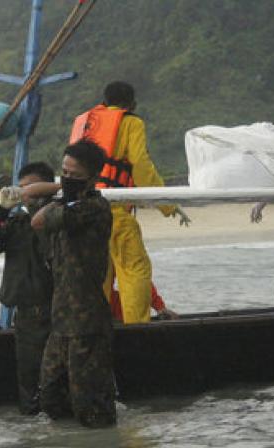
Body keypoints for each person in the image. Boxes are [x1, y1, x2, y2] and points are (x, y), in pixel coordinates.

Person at [69, 81, 190, 324]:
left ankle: (96, 326)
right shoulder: (131, 122)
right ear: (131, 104)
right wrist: (166, 204)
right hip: (116, 213)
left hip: (82, 213)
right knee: (135, 271)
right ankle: (137, 329)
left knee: (98, 275)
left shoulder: (84, 123)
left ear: (103, 100)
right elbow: (141, 164)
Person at [30, 141, 116, 427]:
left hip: (87, 323)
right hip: (61, 320)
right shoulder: (68, 201)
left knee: (90, 405)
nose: (66, 178)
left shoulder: (93, 207)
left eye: (74, 175)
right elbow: (33, 203)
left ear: (91, 178)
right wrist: (63, 190)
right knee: (51, 395)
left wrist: (60, 194)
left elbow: (40, 221)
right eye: (63, 172)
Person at [0, 162, 55, 415]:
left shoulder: (59, 218)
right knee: (30, 384)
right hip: (28, 315)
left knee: (55, 381)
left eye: (30, 187)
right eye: (21, 188)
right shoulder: (17, 223)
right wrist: (0, 209)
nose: (24, 193)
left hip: (57, 312)